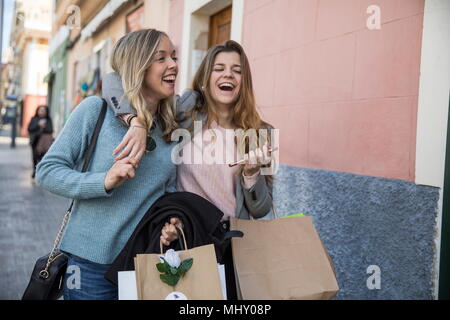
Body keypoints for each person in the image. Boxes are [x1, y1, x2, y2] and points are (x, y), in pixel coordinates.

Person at [104, 40, 276, 299]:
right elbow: (111, 80)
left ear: (244, 81)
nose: (228, 74)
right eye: (219, 68)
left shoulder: (261, 132)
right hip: (184, 237)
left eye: (237, 70)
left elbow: (261, 208)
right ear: (206, 77)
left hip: (231, 247)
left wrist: (251, 174)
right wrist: (136, 122)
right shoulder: (183, 113)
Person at [35, 29, 179, 300]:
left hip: (145, 264)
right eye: (161, 58)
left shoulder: (169, 127)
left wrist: (170, 221)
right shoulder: (94, 110)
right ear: (138, 66)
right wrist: (103, 181)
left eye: (174, 57)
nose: (173, 64)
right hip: (90, 267)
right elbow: (47, 171)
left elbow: (167, 191)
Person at [28, 105, 53, 178]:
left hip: (44, 143)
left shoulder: (48, 120)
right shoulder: (34, 119)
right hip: (35, 141)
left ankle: (42, 172)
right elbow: (30, 128)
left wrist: (43, 127)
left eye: (43, 110)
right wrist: (38, 125)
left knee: (43, 157)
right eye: (40, 110)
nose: (42, 112)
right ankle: (35, 170)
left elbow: (50, 130)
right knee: (34, 157)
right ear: (37, 111)